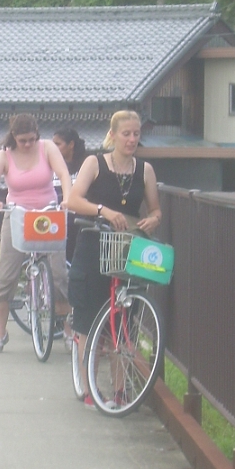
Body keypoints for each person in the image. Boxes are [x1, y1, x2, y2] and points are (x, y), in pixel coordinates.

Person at [66, 110, 162, 405]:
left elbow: (155, 209)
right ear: (114, 135)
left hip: (126, 249)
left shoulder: (144, 169)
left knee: (123, 320)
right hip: (94, 243)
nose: (132, 139)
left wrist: (154, 219)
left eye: (136, 134)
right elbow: (71, 199)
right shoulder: (94, 163)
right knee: (88, 319)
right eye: (126, 134)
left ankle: (121, 390)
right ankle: (88, 386)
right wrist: (102, 211)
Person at [0, 114, 72, 353]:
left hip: (48, 213)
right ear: (13, 138)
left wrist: (67, 198)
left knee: (58, 272)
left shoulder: (48, 148)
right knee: (7, 275)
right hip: (17, 215)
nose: (28, 144)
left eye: (32, 139)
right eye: (22, 141)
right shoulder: (4, 156)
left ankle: (69, 332)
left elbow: (63, 174)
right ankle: (0, 333)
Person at [52, 126, 86, 262]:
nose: (54, 148)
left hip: (78, 221)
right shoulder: (51, 165)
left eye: (58, 144)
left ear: (71, 145)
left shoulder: (85, 165)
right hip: (55, 220)